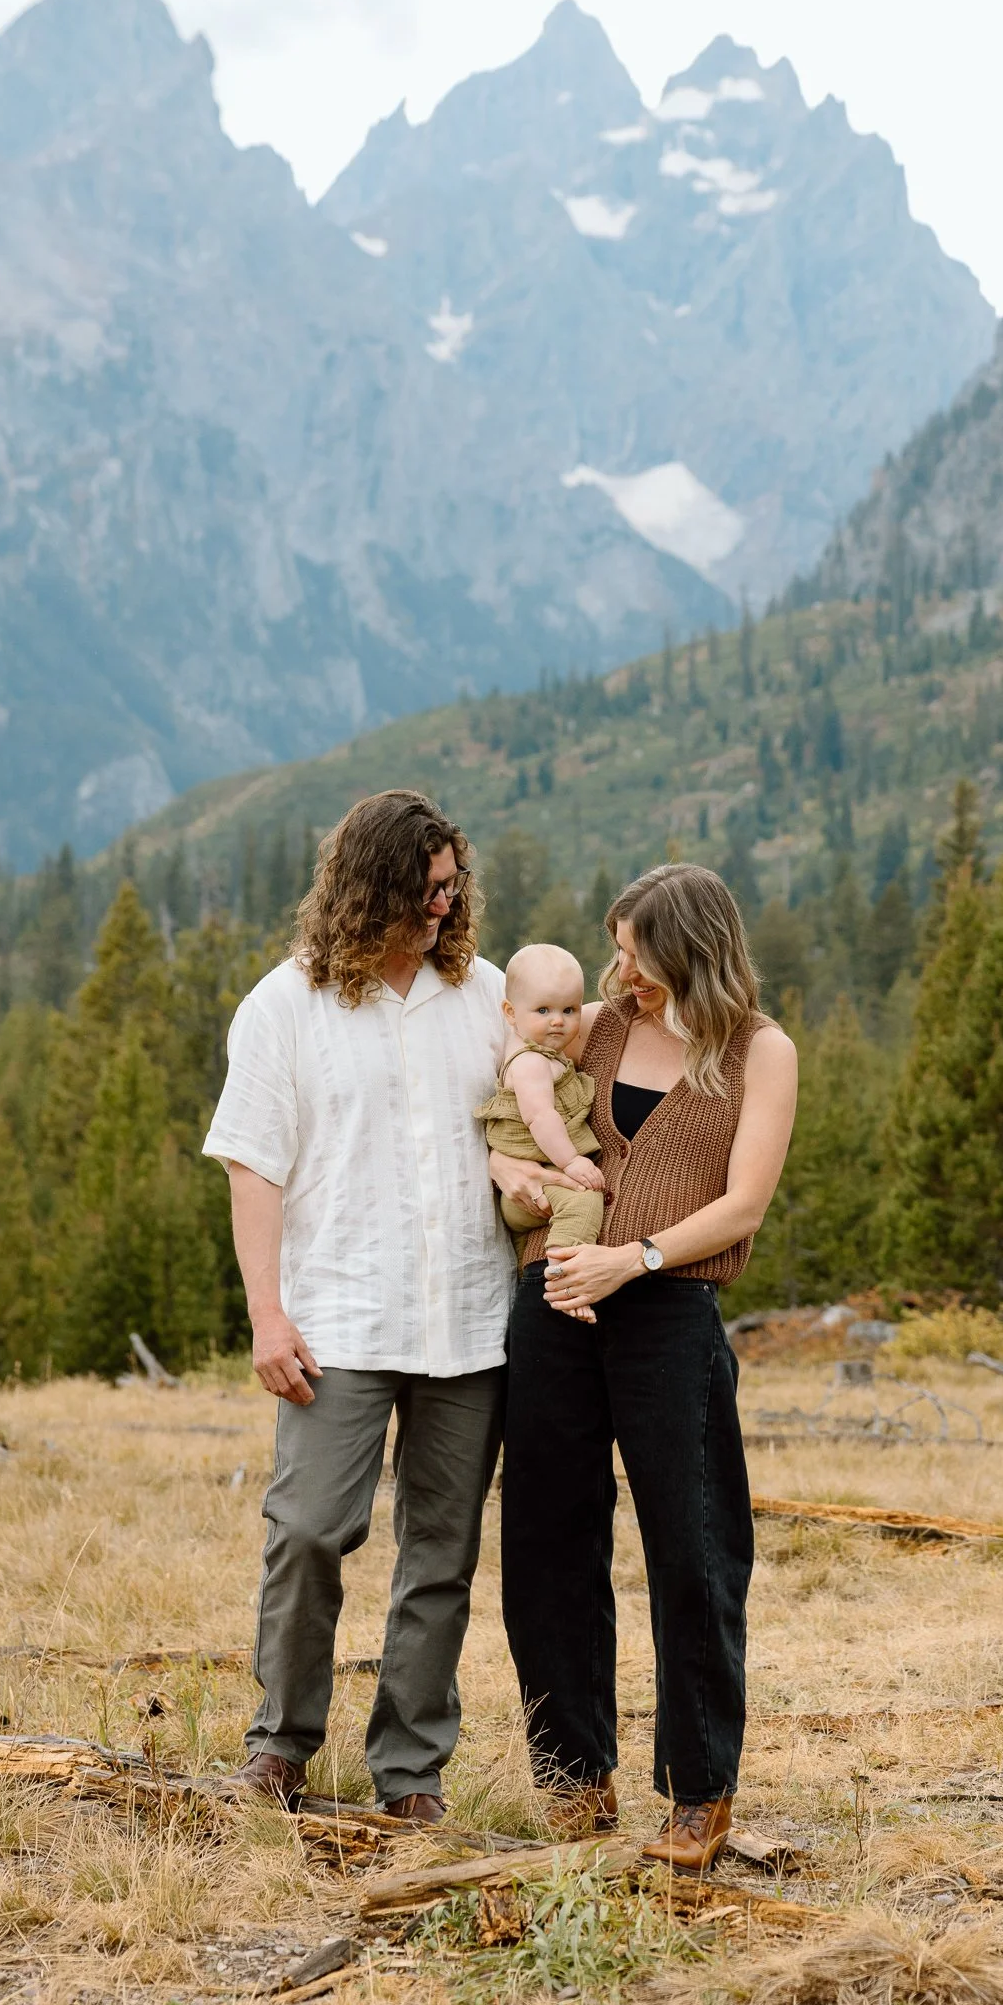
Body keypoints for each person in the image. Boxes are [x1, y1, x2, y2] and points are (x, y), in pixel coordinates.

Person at [202, 788, 511, 1824]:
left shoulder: (487, 997)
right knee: (307, 1530)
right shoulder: (285, 1006)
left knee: (442, 1552)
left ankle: (410, 1772)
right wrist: (266, 1314)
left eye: (450, 884)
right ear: (369, 885)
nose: (442, 905)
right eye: (424, 888)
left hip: (469, 1321)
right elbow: (253, 1169)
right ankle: (279, 1745)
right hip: (336, 1315)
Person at [490, 863, 798, 1874]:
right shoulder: (599, 1027)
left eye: (630, 949)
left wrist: (638, 1256)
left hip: (667, 1309)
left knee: (695, 1547)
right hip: (556, 1299)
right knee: (547, 1537)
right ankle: (572, 1775)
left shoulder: (759, 1051)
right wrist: (511, 1170)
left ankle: (697, 1794)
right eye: (613, 947)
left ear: (687, 949)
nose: (614, 967)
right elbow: (511, 1082)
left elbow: (743, 1203)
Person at [474, 942, 605, 1259]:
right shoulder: (530, 1062)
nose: (558, 1021)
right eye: (543, 1010)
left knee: (521, 1257)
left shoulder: (545, 1054)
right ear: (510, 1012)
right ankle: (565, 1267)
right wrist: (571, 1162)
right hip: (537, 1176)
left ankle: (531, 1274)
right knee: (583, 1201)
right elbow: (541, 1117)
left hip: (538, 1176)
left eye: (569, 1010)